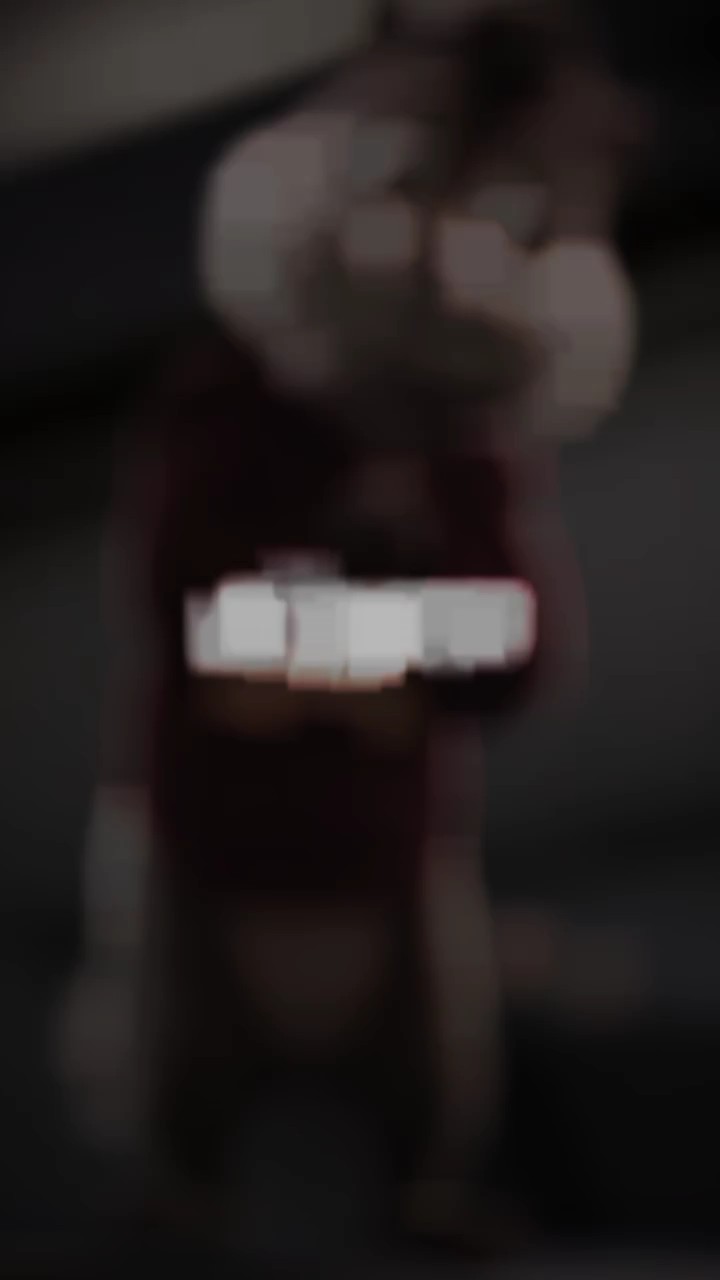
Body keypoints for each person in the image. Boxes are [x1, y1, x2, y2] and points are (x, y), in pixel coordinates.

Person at [58, 0, 642, 1259]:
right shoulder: (228, 409)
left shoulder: (462, 453)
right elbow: (206, 618)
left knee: (426, 1063)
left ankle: (419, 1190)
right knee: (180, 1050)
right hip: (213, 843)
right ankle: (181, 1196)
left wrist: (333, 625)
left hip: (387, 855)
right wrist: (410, 630)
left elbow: (520, 653)